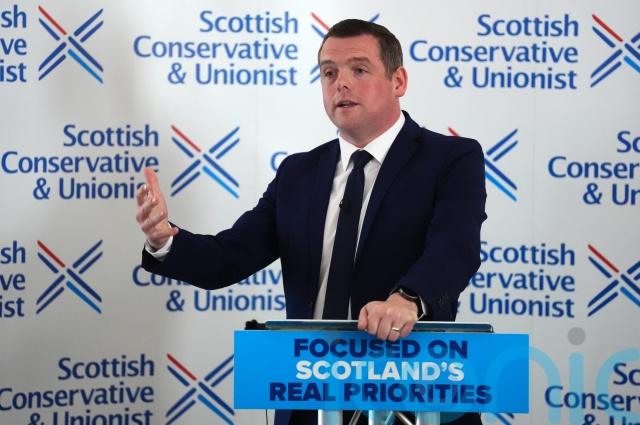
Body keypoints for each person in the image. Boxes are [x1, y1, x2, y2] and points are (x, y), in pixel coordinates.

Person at [137, 19, 486, 425]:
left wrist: (406, 299)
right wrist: (164, 240)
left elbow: (455, 247)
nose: (341, 84)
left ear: (398, 81)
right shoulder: (298, 172)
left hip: (409, 392)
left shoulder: (451, 159)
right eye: (329, 73)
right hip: (308, 394)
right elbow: (228, 258)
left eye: (359, 69)